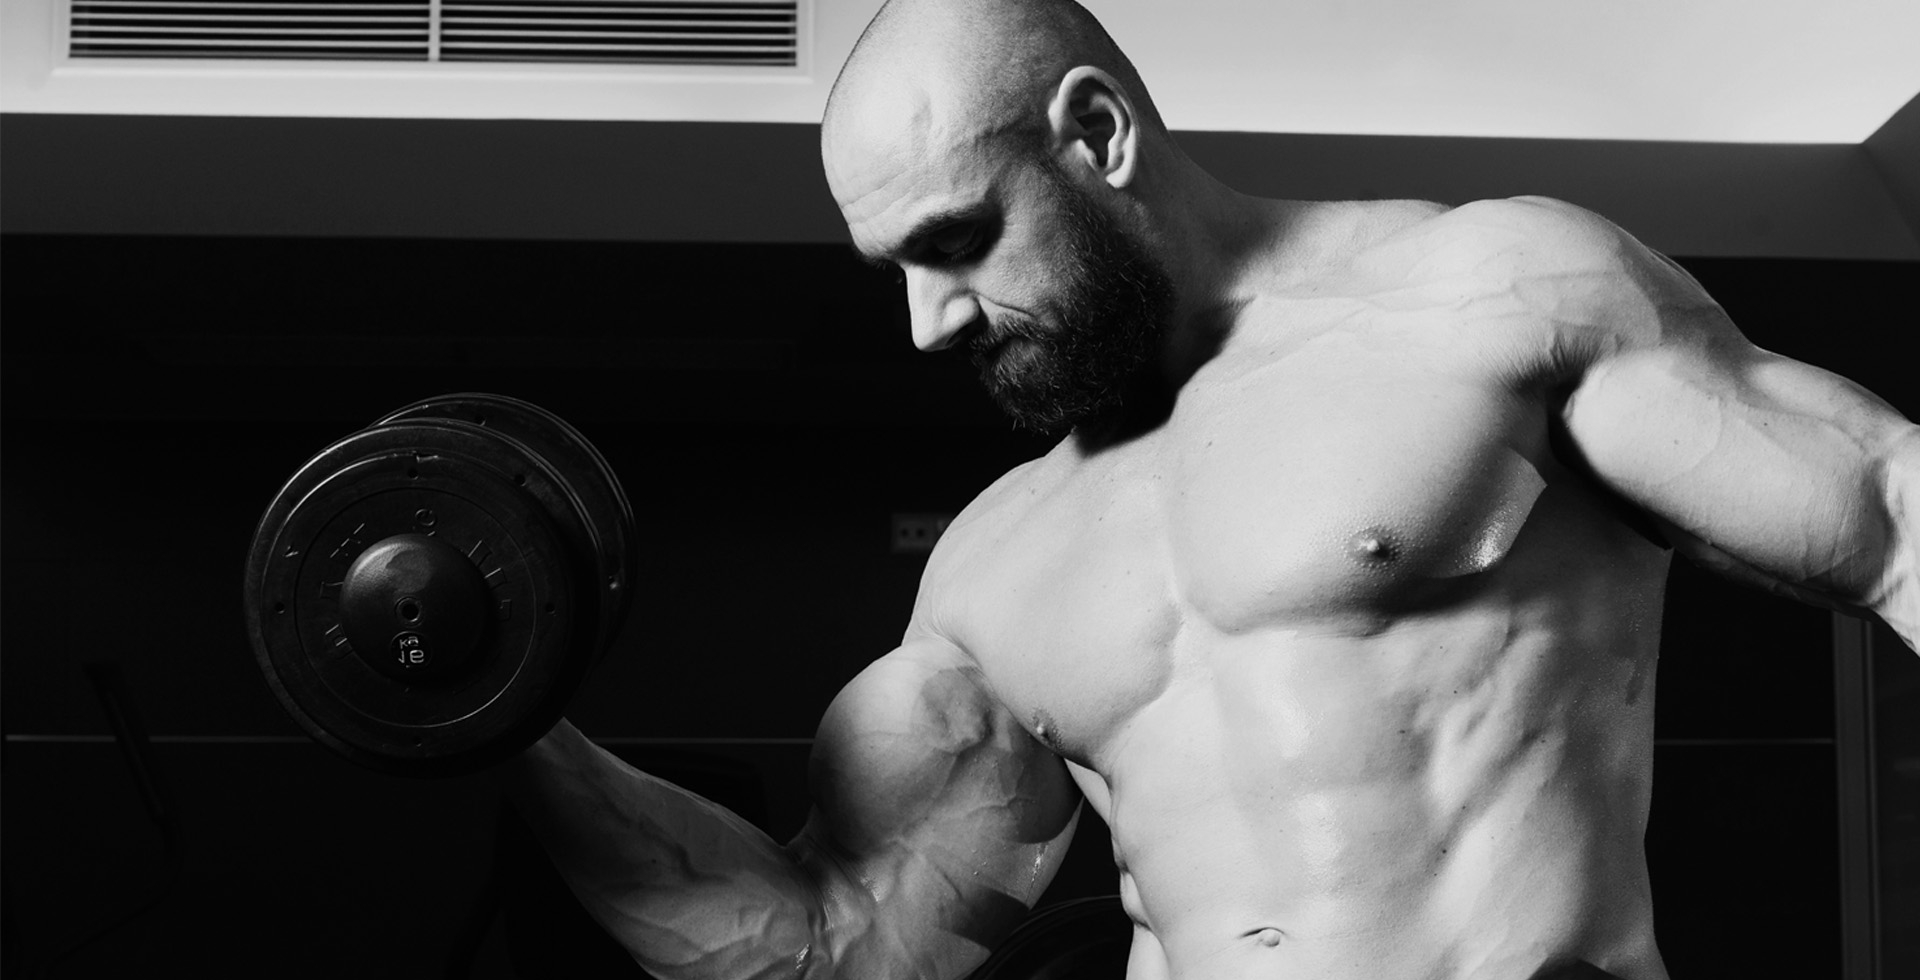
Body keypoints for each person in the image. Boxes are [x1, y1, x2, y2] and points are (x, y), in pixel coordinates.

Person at [500, 1, 1919, 977]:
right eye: (898, 272)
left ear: (1098, 133)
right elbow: (842, 940)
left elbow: (1895, 527)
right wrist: (508, 713)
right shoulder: (995, 564)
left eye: (959, 240)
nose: (928, 323)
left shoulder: (1487, 303)